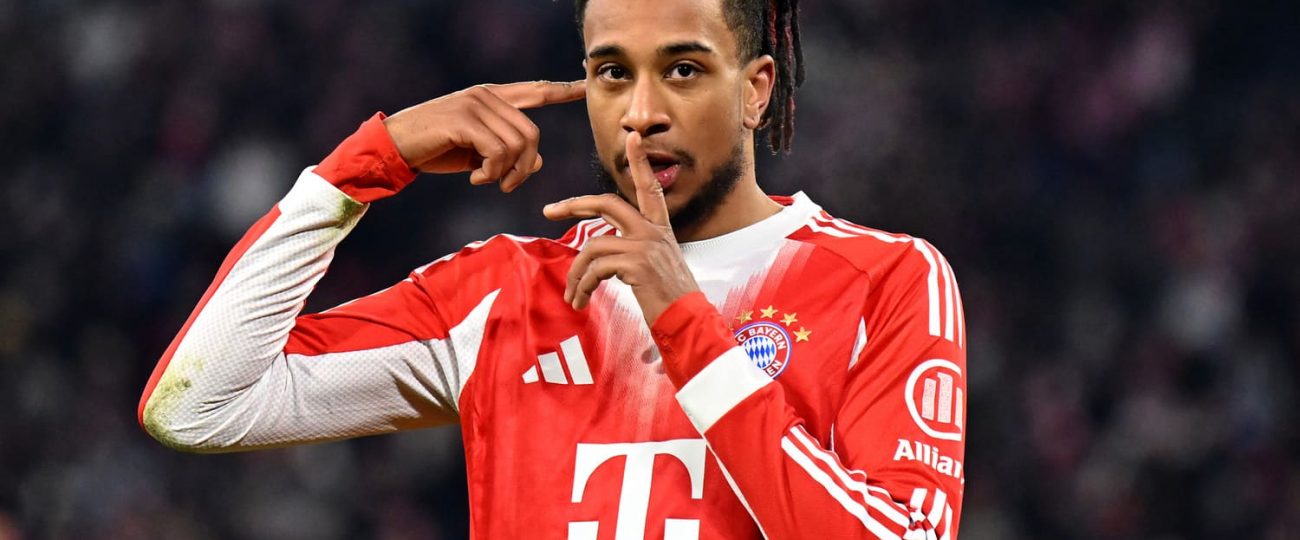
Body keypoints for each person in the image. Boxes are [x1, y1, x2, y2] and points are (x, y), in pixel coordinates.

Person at [138, 0, 968, 537]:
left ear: (755, 90)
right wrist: (366, 164)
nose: (641, 113)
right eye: (612, 74)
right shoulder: (507, 293)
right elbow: (200, 407)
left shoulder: (885, 279)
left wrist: (685, 323)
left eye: (682, 70)